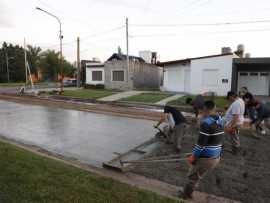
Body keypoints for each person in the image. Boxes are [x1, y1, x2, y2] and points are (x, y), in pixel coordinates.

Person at [180, 100, 224, 199]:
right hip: (216, 156)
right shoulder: (220, 119)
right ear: (214, 108)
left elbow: (201, 145)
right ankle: (188, 193)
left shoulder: (206, 123)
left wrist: (193, 156)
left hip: (206, 158)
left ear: (204, 109)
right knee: (197, 176)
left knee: (192, 177)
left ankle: (186, 196)